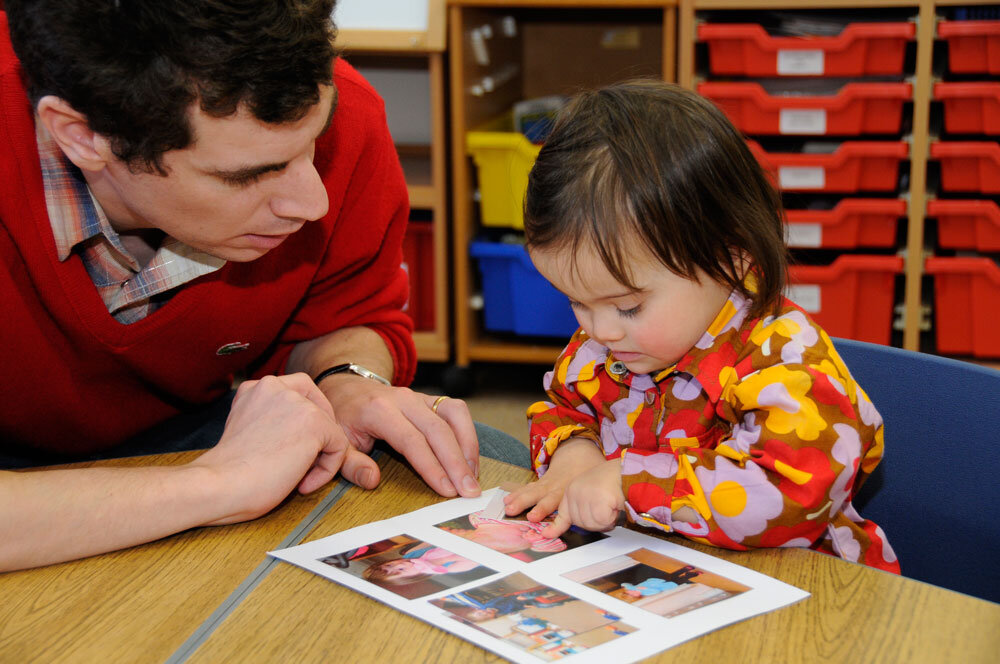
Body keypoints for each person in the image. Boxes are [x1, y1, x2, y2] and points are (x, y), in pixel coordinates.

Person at [0, 1, 525, 572]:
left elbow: (348, 311)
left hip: (194, 426)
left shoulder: (331, 107)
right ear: (81, 136)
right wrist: (218, 485)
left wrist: (346, 379)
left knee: (487, 460)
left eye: (314, 147)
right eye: (247, 175)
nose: (312, 204)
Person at [502, 80, 899, 573]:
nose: (599, 331)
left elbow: (792, 492)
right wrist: (575, 457)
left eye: (626, 306)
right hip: (663, 573)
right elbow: (564, 408)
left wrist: (630, 481)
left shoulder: (785, 360)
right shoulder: (610, 345)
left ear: (731, 256)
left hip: (805, 590)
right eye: (576, 302)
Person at [361, 543, 481, 586]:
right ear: (414, 576)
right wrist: (442, 560)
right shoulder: (450, 568)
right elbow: (479, 557)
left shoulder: (410, 554)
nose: (398, 564)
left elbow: (431, 538)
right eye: (401, 570)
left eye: (389, 565)